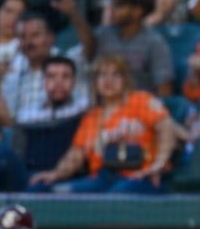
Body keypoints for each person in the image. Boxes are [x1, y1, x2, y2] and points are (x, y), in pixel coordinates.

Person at [30, 55, 176, 195]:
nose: (108, 80)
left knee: (118, 194)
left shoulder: (140, 101)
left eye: (115, 74)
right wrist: (55, 174)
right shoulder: (91, 117)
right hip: (102, 178)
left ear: (125, 80)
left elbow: (166, 128)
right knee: (53, 191)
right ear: (95, 83)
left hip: (140, 175)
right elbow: (76, 155)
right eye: (102, 75)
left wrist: (159, 164)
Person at [0, 55, 86, 193]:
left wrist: (56, 173)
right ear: (43, 81)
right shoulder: (27, 114)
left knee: (37, 189)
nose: (58, 82)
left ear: (74, 81)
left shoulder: (83, 111)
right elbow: (17, 153)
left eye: (65, 77)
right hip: (26, 174)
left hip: (61, 175)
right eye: (51, 77)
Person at [89, 0, 175, 98]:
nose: (112, 10)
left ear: (137, 11)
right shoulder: (103, 35)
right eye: (112, 4)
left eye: (118, 5)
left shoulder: (155, 43)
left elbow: (165, 93)